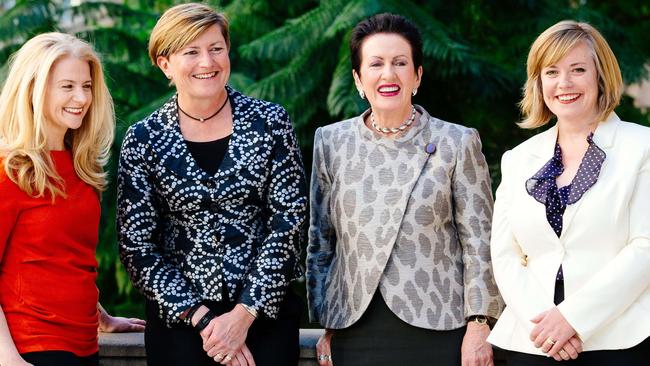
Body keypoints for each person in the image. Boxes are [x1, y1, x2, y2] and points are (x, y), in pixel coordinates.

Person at [306, 13, 504, 366]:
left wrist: (479, 324)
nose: (388, 74)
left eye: (400, 63)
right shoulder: (331, 142)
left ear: (417, 75)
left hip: (439, 324)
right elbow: (321, 239)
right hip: (354, 327)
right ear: (357, 78)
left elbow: (479, 242)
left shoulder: (456, 142)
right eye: (376, 64)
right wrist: (327, 321)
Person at [117, 3, 307, 366]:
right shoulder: (143, 139)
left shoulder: (270, 122)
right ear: (165, 64)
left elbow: (289, 222)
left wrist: (244, 314)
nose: (207, 62)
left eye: (216, 48)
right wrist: (204, 321)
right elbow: (136, 245)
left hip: (263, 317)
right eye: (191, 52)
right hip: (180, 325)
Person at [488, 20, 650, 365]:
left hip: (620, 340)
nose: (564, 83)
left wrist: (573, 319)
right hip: (534, 342)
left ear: (600, 77)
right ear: (538, 81)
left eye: (578, 69)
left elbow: (645, 246)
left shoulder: (642, 147)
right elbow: (504, 255)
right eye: (552, 72)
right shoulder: (517, 160)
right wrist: (546, 326)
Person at [0, 32, 145, 366]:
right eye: (67, 86)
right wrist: (9, 359)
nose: (81, 97)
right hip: (32, 346)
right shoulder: (11, 169)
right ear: (33, 89)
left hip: (82, 343)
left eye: (87, 86)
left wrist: (101, 316)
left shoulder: (80, 166)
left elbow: (64, 257)